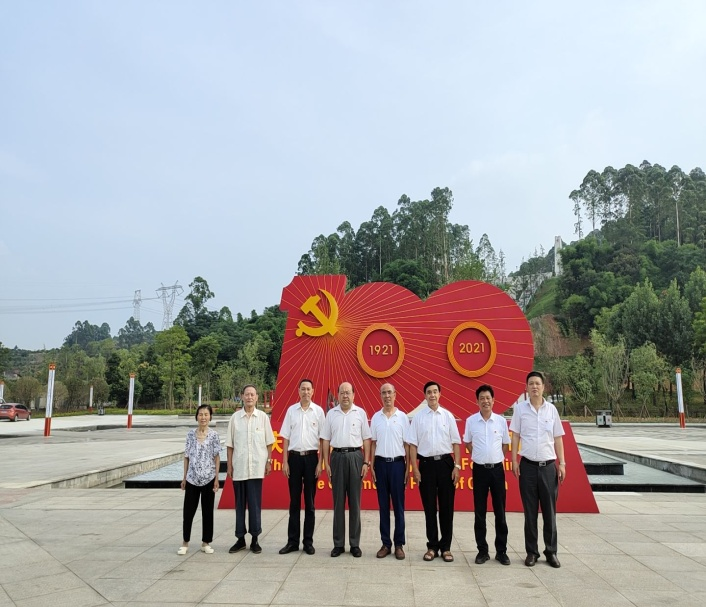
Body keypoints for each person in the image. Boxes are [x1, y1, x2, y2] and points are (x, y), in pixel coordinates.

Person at [510, 371, 566, 568]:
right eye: (531, 383)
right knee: (530, 512)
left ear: (543, 387)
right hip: (527, 467)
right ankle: (531, 552)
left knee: (550, 512)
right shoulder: (520, 410)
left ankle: (551, 552)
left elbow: (558, 437)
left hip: (549, 467)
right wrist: (514, 460)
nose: (534, 387)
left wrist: (562, 463)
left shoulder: (552, 410)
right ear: (526, 387)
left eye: (537, 383)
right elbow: (515, 435)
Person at [407, 381, 462, 563]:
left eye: (435, 392)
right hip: (426, 466)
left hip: (446, 464)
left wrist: (457, 466)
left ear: (440, 395)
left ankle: (446, 547)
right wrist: (415, 469)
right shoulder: (419, 418)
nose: (432, 395)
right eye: (429, 392)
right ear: (425, 396)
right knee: (429, 508)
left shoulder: (447, 416)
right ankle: (432, 546)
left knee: (447, 508)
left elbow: (456, 443)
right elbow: (413, 445)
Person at [321, 382, 372, 558]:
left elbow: (366, 439)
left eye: (348, 393)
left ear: (353, 395)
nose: (345, 396)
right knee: (338, 503)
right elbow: (326, 439)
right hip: (336, 457)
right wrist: (326, 463)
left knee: (355, 503)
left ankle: (355, 544)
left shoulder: (360, 413)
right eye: (342, 393)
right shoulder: (331, 415)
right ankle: (338, 544)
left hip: (356, 457)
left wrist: (366, 462)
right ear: (338, 395)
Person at [463, 384, 511, 566]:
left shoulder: (500, 421)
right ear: (477, 401)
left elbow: (506, 445)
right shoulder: (471, 421)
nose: (485, 401)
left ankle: (502, 551)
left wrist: (495, 457)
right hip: (480, 470)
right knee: (480, 512)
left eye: (488, 398)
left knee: (500, 511)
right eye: (482, 398)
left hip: (497, 470)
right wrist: (480, 455)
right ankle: (482, 551)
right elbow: (467, 443)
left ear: (493, 400)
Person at [278, 378, 325, 555]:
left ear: (313, 391)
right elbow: (286, 437)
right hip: (294, 459)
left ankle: (308, 542)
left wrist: (321, 462)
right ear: (298, 391)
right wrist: (284, 461)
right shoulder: (291, 411)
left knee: (310, 503)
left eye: (308, 389)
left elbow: (323, 439)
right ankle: (292, 542)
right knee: (294, 502)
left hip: (312, 459)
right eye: (303, 389)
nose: (305, 392)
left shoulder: (318, 412)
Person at [226, 384, 275, 554]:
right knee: (239, 505)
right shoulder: (234, 418)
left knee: (254, 505)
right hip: (239, 468)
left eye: (252, 395)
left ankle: (255, 539)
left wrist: (268, 461)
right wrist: (230, 465)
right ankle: (240, 539)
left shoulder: (262, 418)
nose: (249, 397)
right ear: (242, 396)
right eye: (246, 394)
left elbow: (269, 442)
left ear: (256, 397)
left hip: (255, 468)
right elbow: (230, 445)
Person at [370, 382, 409, 560]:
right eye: (383, 393)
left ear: (395, 395)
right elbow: (373, 443)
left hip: (398, 465)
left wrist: (408, 467)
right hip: (380, 464)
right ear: (380, 396)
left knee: (399, 506)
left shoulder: (403, 417)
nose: (387, 396)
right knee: (383, 506)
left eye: (389, 393)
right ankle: (386, 543)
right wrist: (370, 464)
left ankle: (399, 544)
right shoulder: (376, 417)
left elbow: (407, 444)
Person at [178, 404, 221, 555]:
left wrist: (216, 477)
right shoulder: (190, 434)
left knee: (208, 511)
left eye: (206, 414)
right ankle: (185, 542)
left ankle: (206, 542)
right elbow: (186, 457)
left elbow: (217, 458)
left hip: (209, 478)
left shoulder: (214, 435)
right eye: (201, 414)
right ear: (196, 417)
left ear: (210, 417)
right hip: (192, 478)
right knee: (188, 512)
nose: (203, 417)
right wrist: (184, 477)